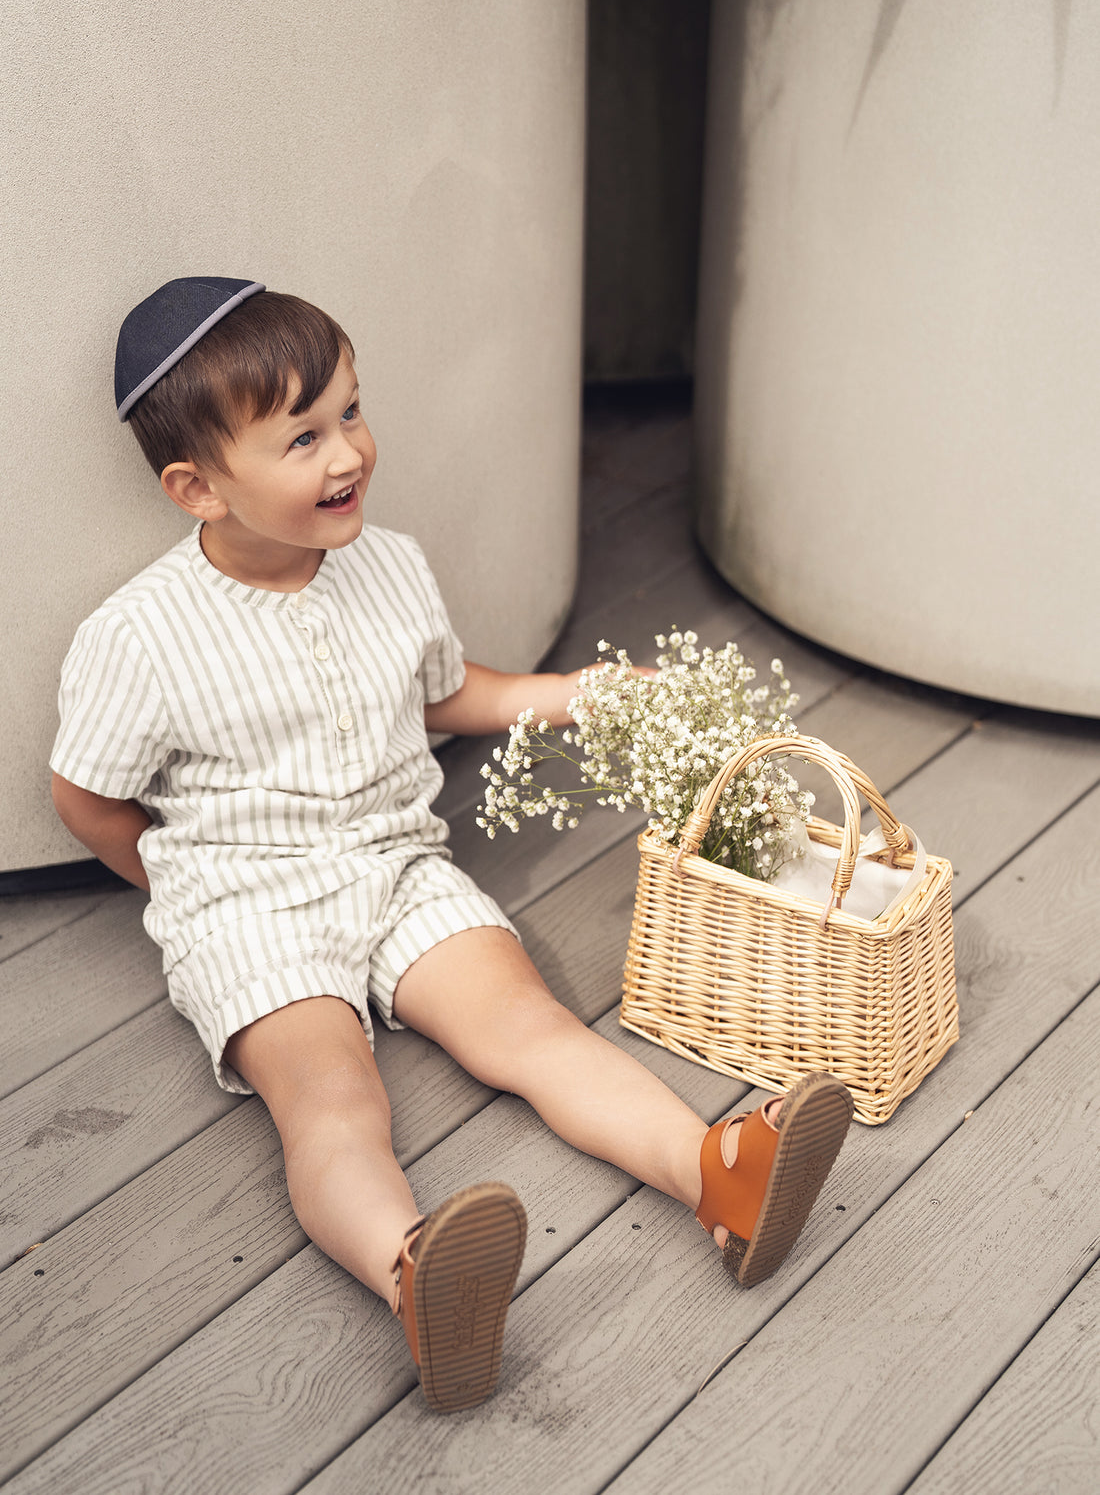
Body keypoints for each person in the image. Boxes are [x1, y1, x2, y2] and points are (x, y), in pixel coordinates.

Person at [50, 277, 854, 1414]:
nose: (349, 454)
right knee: (331, 1102)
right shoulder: (138, 637)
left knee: (527, 1028)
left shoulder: (389, 564)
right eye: (302, 438)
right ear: (197, 487)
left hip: (397, 865)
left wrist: (572, 694)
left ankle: (715, 1175)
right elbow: (84, 797)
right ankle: (414, 1270)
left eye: (349, 411)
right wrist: (180, 888)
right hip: (249, 909)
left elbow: (443, 695)